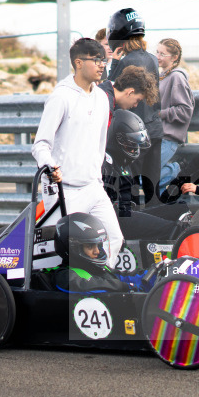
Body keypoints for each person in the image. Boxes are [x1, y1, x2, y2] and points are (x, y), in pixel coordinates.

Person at [32, 38, 123, 268]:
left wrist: (98, 179)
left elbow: (100, 143)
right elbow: (40, 144)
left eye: (104, 60)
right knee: (58, 254)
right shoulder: (61, 97)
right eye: (96, 60)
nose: (102, 65)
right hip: (65, 191)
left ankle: (97, 288)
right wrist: (51, 167)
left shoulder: (102, 98)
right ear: (79, 63)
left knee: (114, 238)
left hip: (93, 186)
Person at [103, 109, 190, 240]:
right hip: (114, 220)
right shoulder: (104, 163)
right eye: (131, 145)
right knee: (173, 229)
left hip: (128, 213)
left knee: (181, 209)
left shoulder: (123, 163)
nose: (135, 150)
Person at [106, 8, 163, 206]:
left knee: (129, 187)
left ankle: (135, 230)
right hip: (155, 129)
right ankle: (155, 230)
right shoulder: (153, 59)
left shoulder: (126, 61)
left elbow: (112, 91)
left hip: (135, 133)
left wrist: (114, 64)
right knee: (152, 189)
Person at [50, 213, 136, 293]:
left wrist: (146, 275)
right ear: (73, 248)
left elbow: (125, 276)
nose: (97, 252)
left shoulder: (99, 270)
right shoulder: (64, 276)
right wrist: (125, 287)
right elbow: (84, 286)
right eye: (90, 247)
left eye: (98, 245)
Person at [156, 38, 194, 194]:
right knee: (150, 179)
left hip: (169, 138)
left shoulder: (176, 77)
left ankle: (177, 169)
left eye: (162, 54)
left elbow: (185, 111)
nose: (158, 56)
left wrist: (160, 114)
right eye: (157, 52)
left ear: (174, 57)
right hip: (159, 136)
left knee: (147, 177)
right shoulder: (163, 76)